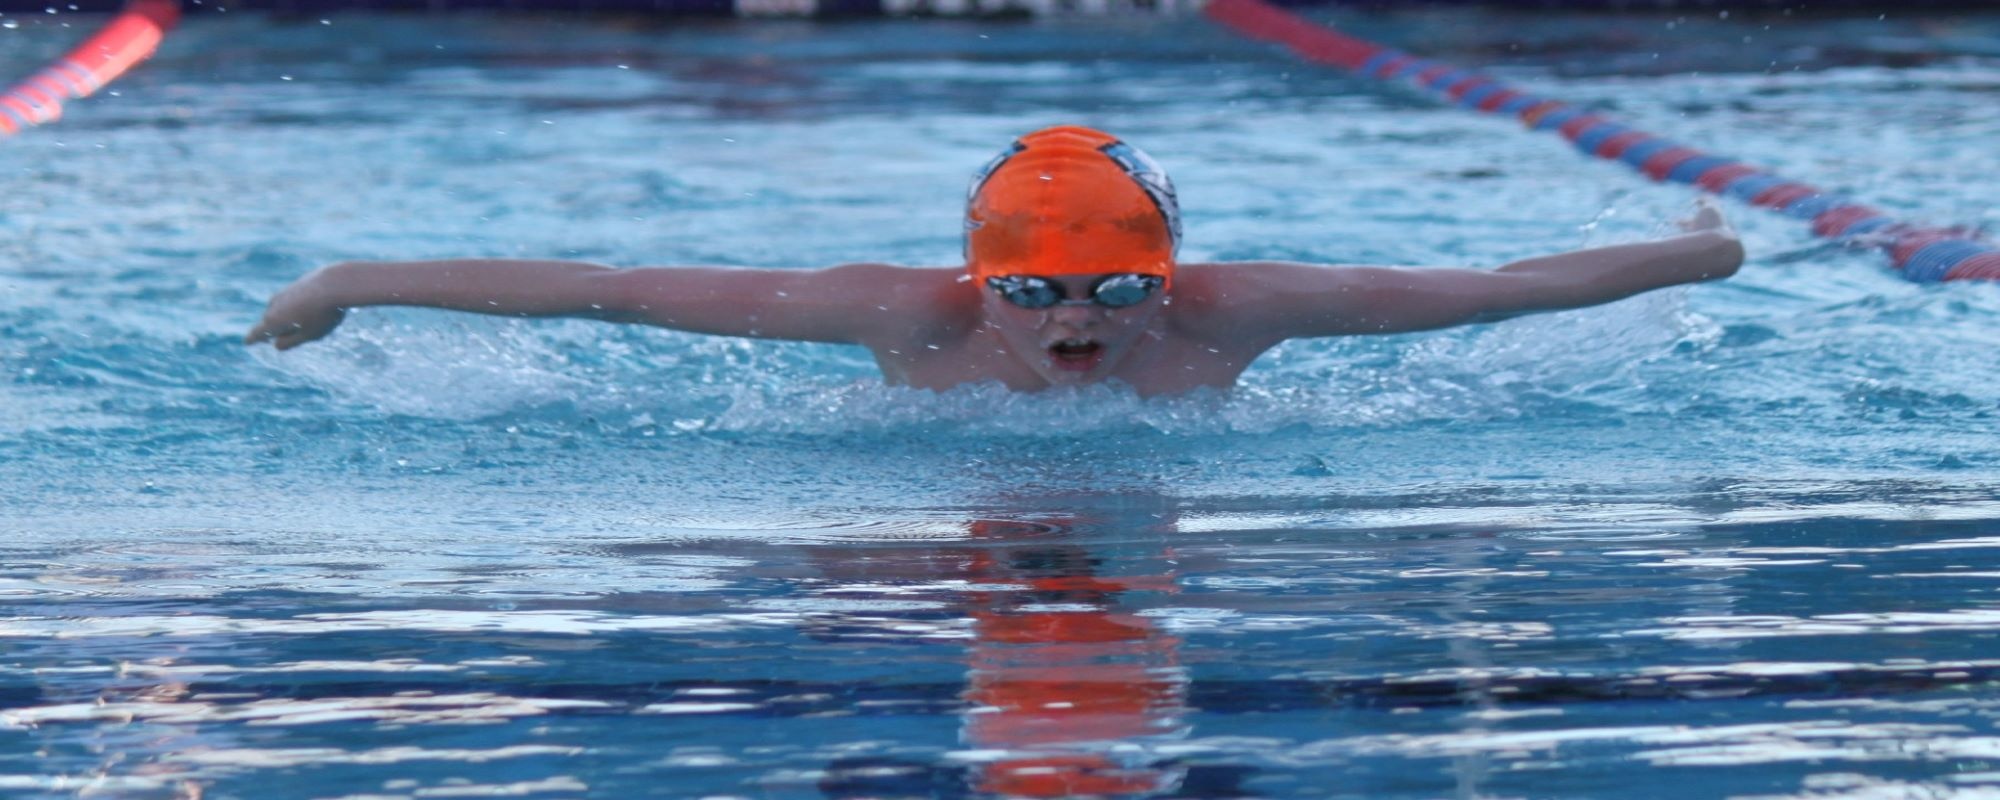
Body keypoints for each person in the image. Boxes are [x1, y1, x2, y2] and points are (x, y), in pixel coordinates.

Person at [245, 125, 1743, 397]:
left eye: (1116, 287)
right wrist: (347, 278)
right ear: (979, 283)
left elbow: (1503, 290)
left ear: (1173, 275)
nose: (1074, 317)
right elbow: (610, 287)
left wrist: (1701, 250)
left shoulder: (1243, 314)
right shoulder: (904, 323)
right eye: (1031, 289)